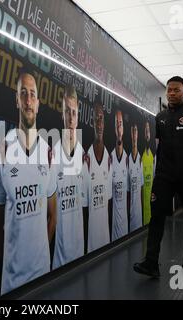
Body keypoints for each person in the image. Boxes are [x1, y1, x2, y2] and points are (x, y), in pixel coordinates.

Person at [133, 76, 183, 277]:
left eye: (176, 90)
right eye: (169, 90)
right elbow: (158, 146)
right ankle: (151, 262)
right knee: (156, 217)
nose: (172, 93)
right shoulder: (160, 117)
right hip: (164, 176)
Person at [0, 71, 57, 295]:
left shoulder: (48, 154)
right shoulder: (2, 151)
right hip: (11, 283)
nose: (28, 100)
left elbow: (52, 214)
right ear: (16, 99)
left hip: (42, 277)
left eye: (32, 95)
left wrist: (41, 251)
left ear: (38, 104)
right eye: (23, 94)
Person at [52, 85, 87, 269]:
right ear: (62, 114)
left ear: (78, 116)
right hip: (59, 259)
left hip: (80, 254)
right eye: (67, 112)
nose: (71, 118)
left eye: (74, 112)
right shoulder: (52, 157)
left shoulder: (84, 157)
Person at [84, 102, 112, 252]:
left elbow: (109, 200)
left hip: (106, 240)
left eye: (101, 118)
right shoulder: (85, 160)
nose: (99, 123)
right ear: (92, 122)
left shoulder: (109, 159)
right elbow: (84, 209)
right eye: (96, 119)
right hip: (91, 245)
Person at [111, 110, 129, 241]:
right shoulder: (108, 158)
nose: (118, 126)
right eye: (116, 123)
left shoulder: (128, 159)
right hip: (112, 231)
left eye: (121, 123)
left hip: (126, 226)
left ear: (123, 128)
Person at [128, 122, 144, 232]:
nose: (134, 134)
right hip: (129, 215)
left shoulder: (140, 160)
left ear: (138, 134)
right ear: (130, 134)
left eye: (136, 131)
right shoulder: (126, 160)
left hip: (139, 215)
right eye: (132, 131)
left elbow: (142, 189)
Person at [141, 120, 155, 225]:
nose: (147, 133)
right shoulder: (139, 157)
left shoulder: (151, 156)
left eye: (148, 131)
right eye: (145, 130)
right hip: (142, 209)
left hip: (151, 206)